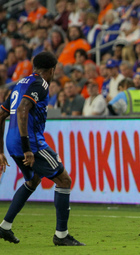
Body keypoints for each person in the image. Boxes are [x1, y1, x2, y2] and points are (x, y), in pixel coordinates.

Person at [0, 52, 84, 246]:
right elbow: (22, 109)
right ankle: (61, 236)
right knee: (64, 180)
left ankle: (4, 226)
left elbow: (1, 115)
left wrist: (1, 151)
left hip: (12, 143)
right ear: (52, 70)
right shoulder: (41, 84)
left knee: (33, 180)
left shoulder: (19, 84)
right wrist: (27, 148)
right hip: (31, 143)